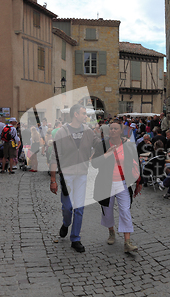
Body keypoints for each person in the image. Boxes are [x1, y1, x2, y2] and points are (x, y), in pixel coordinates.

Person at [50, 104, 102, 253]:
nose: (85, 116)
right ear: (75, 115)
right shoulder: (61, 132)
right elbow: (54, 156)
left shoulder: (88, 131)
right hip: (67, 176)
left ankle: (75, 238)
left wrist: (111, 142)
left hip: (82, 175)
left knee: (79, 208)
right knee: (68, 208)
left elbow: (98, 144)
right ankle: (66, 223)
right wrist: (53, 179)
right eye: (83, 113)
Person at [91, 119, 140, 253]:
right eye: (111, 129)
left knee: (125, 211)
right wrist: (107, 155)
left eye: (115, 129)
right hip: (106, 184)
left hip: (122, 183)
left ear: (120, 131)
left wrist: (138, 182)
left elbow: (136, 162)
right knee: (107, 211)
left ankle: (127, 242)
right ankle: (111, 231)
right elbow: (94, 163)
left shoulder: (127, 145)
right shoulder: (103, 144)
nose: (112, 131)